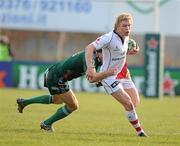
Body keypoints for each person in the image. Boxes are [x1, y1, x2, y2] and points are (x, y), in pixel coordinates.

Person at [16, 50, 116, 132]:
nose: (107, 56)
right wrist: (107, 75)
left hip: (55, 73)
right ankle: (46, 124)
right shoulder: (90, 59)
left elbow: (95, 78)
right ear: (98, 53)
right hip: (57, 78)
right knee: (73, 105)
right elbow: (91, 79)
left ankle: (24, 102)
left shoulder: (96, 59)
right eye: (105, 53)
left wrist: (101, 81)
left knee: (57, 100)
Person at [85, 13, 147, 137]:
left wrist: (133, 50)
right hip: (108, 77)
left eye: (129, 26)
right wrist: (91, 68)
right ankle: (140, 133)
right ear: (117, 26)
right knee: (128, 103)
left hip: (122, 75)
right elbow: (89, 48)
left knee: (134, 102)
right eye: (124, 26)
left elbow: (121, 51)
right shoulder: (108, 37)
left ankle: (129, 112)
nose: (127, 29)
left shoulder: (126, 38)